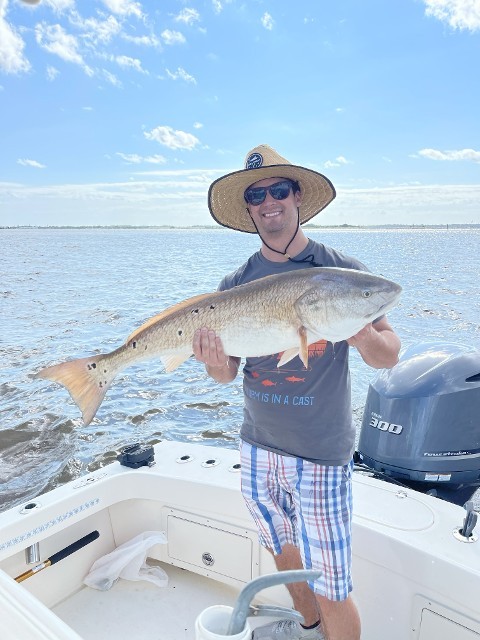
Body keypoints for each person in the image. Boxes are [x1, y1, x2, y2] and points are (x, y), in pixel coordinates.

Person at [193, 145, 401, 640]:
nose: (269, 202)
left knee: (331, 583)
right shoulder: (235, 284)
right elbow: (227, 376)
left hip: (321, 452)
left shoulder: (340, 272)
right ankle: (308, 627)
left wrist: (361, 333)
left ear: (297, 196)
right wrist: (215, 365)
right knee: (284, 553)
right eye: (257, 194)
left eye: (279, 190)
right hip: (258, 446)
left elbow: (389, 354)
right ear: (248, 208)